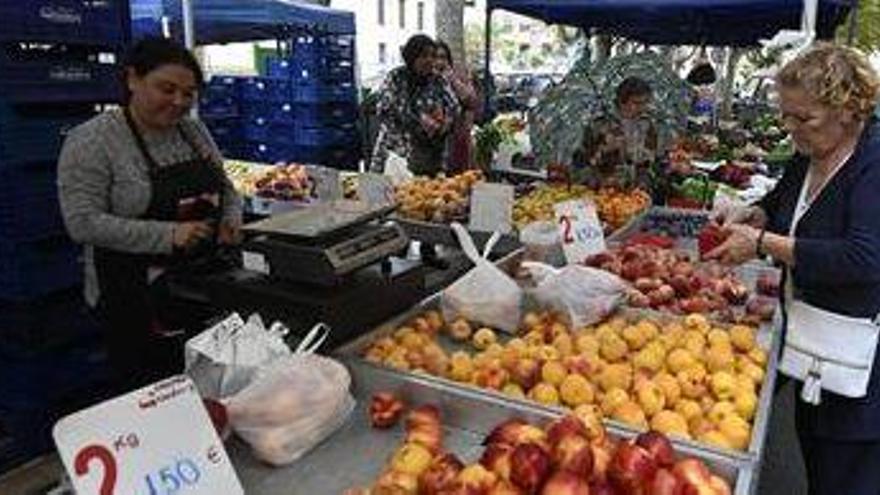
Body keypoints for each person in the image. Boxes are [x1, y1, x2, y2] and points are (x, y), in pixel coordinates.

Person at [706, 43, 880, 495]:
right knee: (818, 459)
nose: (791, 128)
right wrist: (754, 216)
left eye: (804, 119)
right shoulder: (810, 152)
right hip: (811, 346)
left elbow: (865, 257)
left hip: (860, 364)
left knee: (848, 474)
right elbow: (783, 203)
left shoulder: (873, 162)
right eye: (786, 115)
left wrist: (763, 243)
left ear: (847, 110)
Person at [58, 37, 242, 391]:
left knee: (212, 388)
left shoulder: (193, 130)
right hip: (134, 299)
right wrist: (168, 234)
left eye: (188, 93)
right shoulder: (93, 141)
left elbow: (226, 187)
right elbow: (81, 222)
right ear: (132, 80)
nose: (178, 102)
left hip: (202, 285)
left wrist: (231, 220)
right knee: (154, 395)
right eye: (167, 89)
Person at [370, 35, 460, 176]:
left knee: (427, 194)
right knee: (390, 193)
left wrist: (445, 122)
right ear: (412, 57)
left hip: (430, 156)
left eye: (432, 56)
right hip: (396, 153)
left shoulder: (438, 80)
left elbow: (454, 108)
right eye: (424, 55)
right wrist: (419, 119)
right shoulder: (396, 77)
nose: (430, 60)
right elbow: (384, 107)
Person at [575, 76, 658, 188]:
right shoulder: (599, 125)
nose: (642, 108)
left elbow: (650, 164)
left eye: (645, 102)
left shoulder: (647, 125)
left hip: (635, 194)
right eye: (637, 103)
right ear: (622, 101)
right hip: (603, 193)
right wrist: (603, 150)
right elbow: (580, 165)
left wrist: (644, 183)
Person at [435, 40, 481, 173]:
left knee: (460, 177)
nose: (439, 61)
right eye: (436, 57)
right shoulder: (426, 79)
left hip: (458, 137)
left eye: (443, 57)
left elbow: (471, 101)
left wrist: (452, 79)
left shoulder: (459, 75)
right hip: (434, 142)